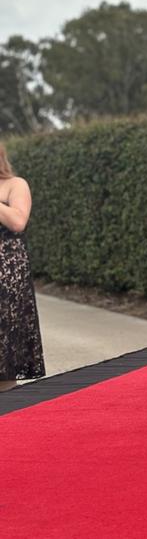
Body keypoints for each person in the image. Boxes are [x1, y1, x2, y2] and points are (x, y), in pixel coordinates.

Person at [0, 143, 45, 391]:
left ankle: (8, 415)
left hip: (6, 281)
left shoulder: (15, 184)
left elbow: (18, 221)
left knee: (5, 354)